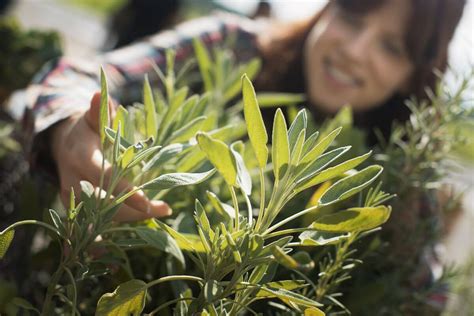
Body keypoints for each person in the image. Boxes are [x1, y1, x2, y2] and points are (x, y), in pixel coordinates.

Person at [24, 0, 465, 222]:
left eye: (392, 46)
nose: (354, 52)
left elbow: (424, 293)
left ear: (414, 73)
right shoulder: (235, 45)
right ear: (325, 10)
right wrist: (69, 128)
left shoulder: (403, 167)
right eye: (351, 17)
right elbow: (72, 76)